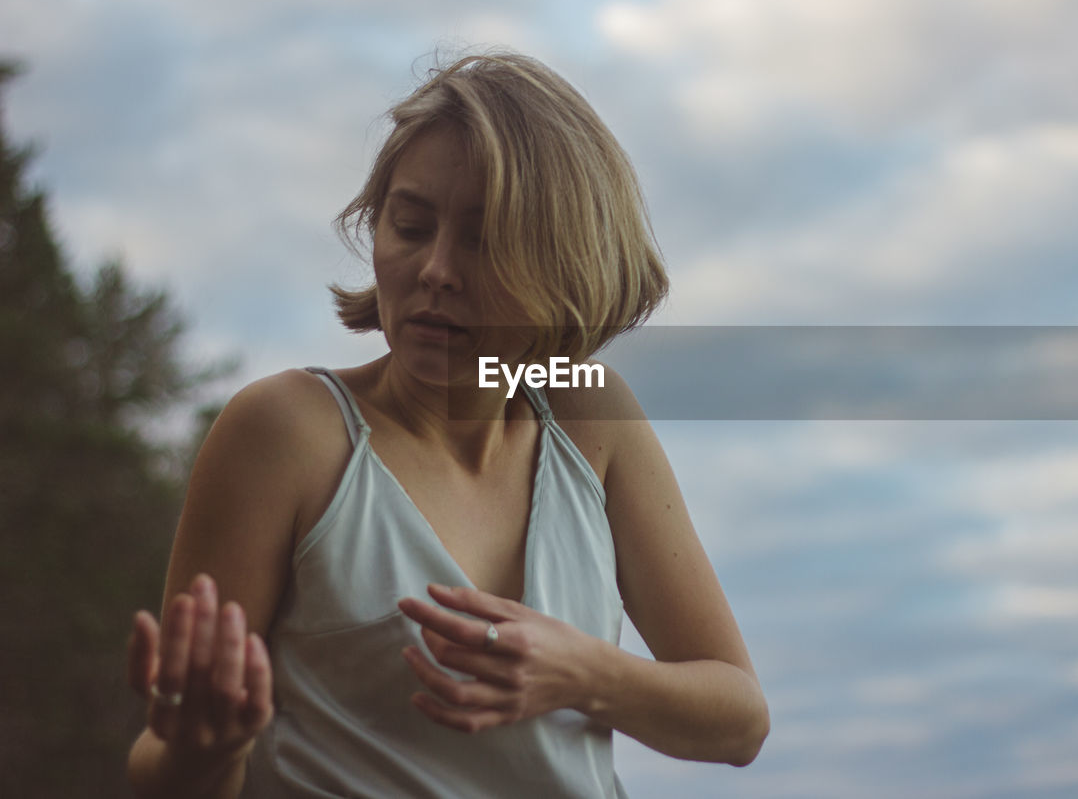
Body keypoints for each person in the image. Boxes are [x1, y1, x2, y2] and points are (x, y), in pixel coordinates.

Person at [124, 51, 769, 798]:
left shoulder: (590, 415)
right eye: (410, 225)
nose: (435, 269)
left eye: (483, 239)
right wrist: (204, 753)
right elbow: (162, 770)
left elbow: (740, 719)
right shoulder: (286, 432)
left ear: (564, 263)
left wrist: (582, 672)